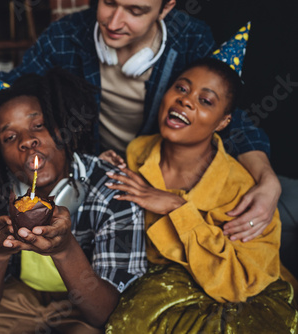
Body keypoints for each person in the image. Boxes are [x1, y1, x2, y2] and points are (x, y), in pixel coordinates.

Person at [0, 0, 281, 244]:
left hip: (155, 178)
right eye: (109, 2)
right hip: (91, 178)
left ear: (167, 7)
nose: (115, 20)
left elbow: (229, 116)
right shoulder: (65, 36)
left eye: (137, 10)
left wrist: (268, 180)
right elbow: (9, 95)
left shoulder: (191, 38)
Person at [0, 68, 147, 333]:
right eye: (10, 137)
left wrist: (65, 249)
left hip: (84, 305)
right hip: (22, 296)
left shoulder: (113, 186)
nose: (27, 141)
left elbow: (106, 314)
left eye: (39, 125)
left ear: (62, 123)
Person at [103, 57, 298, 332]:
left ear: (223, 122)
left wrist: (176, 207)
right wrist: (102, 170)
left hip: (239, 299)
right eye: (181, 89)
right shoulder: (137, 152)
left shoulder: (243, 191)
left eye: (206, 101)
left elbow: (236, 283)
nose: (186, 100)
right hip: (156, 290)